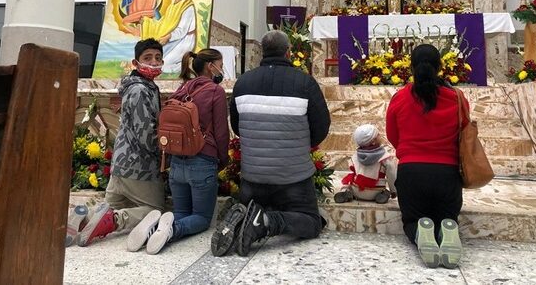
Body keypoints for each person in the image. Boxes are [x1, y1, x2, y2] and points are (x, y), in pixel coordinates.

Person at [210, 30, 331, 257]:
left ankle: (243, 217)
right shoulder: (305, 83)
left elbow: (237, 127)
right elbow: (321, 127)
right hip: (293, 178)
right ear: (289, 52)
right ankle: (266, 221)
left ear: (262, 52)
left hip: (253, 178)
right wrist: (299, 145)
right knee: (312, 223)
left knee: (252, 202)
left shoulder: (243, 83)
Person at [131, 48, 230, 255]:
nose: (222, 70)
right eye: (220, 65)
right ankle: (171, 231)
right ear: (211, 67)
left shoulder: (183, 88)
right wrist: (222, 161)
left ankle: (154, 227)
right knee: (202, 219)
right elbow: (221, 132)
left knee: (182, 212)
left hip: (176, 162)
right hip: (203, 162)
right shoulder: (215, 91)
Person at [385, 44, 468, 269]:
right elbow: (465, 131)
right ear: (440, 67)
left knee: (412, 220)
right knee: (447, 216)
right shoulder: (456, 98)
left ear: (410, 67)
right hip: (447, 174)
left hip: (412, 172)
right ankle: (447, 228)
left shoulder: (400, 98)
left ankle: (421, 232)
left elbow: (393, 135)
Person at [76, 38, 166, 248]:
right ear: (135, 62)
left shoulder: (141, 86)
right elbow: (146, 135)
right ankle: (117, 221)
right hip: (138, 167)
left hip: (121, 164)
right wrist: (164, 153)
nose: (154, 62)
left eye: (158, 58)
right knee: (156, 211)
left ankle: (82, 219)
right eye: (148, 58)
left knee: (106, 209)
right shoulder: (140, 90)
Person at [333, 124, 397, 204]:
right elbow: (392, 175)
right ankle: (384, 195)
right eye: (378, 135)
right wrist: (393, 190)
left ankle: (348, 192)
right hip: (375, 191)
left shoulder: (356, 155)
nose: (380, 135)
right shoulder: (385, 157)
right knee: (386, 191)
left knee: (349, 183)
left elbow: (352, 167)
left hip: (357, 189)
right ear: (373, 141)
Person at [141, 0, 197, 74]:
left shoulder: (188, 7)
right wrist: (146, 22)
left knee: (163, 65)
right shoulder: (172, 6)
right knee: (155, 59)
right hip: (172, 38)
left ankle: (188, 63)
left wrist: (168, 37)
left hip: (184, 40)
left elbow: (182, 31)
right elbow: (163, 23)